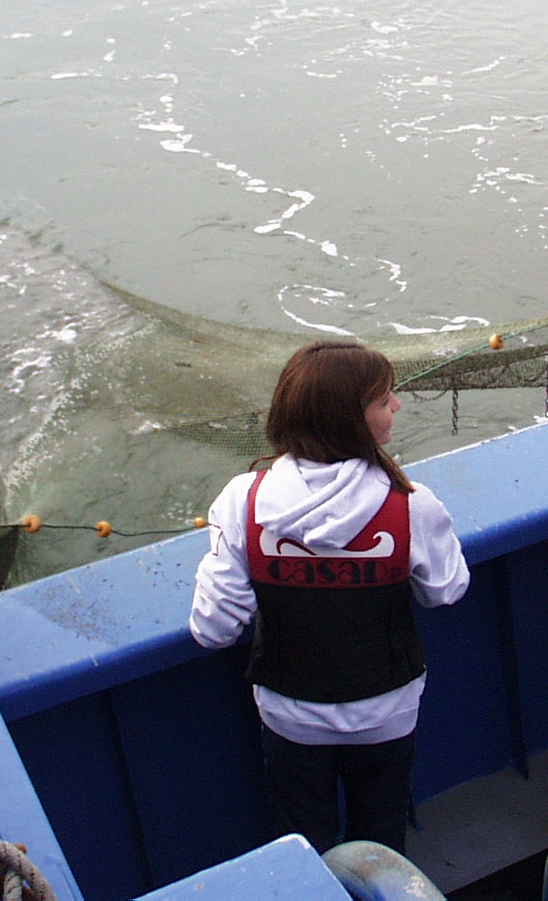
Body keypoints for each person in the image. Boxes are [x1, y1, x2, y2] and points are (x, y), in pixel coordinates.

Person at [189, 340, 470, 855]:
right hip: (386, 709)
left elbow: (214, 629)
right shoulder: (411, 504)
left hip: (290, 713)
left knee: (304, 844)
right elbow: (445, 590)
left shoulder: (242, 501)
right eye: (383, 399)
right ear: (350, 421)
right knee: (382, 839)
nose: (396, 405)